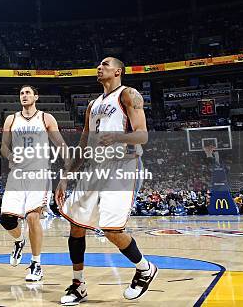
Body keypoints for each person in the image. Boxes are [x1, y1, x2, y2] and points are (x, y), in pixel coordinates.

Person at [56, 57, 157, 305]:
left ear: (118, 71)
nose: (99, 67)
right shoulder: (93, 105)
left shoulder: (128, 95)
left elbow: (142, 135)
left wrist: (117, 136)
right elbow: (83, 145)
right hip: (95, 167)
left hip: (123, 165)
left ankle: (145, 269)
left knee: (112, 229)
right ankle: (78, 284)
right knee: (76, 225)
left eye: (105, 64)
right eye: (98, 65)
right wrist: (66, 176)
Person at [0, 85, 68, 282]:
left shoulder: (46, 118)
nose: (24, 95)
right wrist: (10, 155)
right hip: (17, 174)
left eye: (28, 92)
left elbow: (61, 145)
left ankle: (36, 264)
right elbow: (4, 145)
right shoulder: (11, 119)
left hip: (39, 174)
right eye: (21, 93)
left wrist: (66, 172)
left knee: (32, 218)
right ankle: (19, 241)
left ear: (36, 97)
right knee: (7, 220)